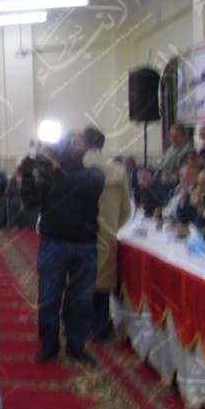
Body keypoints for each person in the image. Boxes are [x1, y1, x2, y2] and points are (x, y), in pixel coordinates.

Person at [21, 132, 105, 365]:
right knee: (49, 298)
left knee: (81, 300)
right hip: (53, 244)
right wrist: (28, 172)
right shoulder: (50, 175)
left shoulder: (93, 174)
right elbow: (30, 202)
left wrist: (56, 169)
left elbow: (88, 184)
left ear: (85, 147)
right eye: (71, 141)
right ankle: (49, 345)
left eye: (79, 141)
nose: (75, 144)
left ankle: (76, 345)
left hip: (85, 246)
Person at [83, 127, 131, 342]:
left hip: (79, 233)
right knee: (102, 285)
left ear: (83, 143)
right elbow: (126, 210)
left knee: (79, 281)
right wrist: (112, 226)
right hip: (107, 234)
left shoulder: (76, 167)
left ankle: (79, 327)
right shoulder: (118, 171)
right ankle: (100, 328)